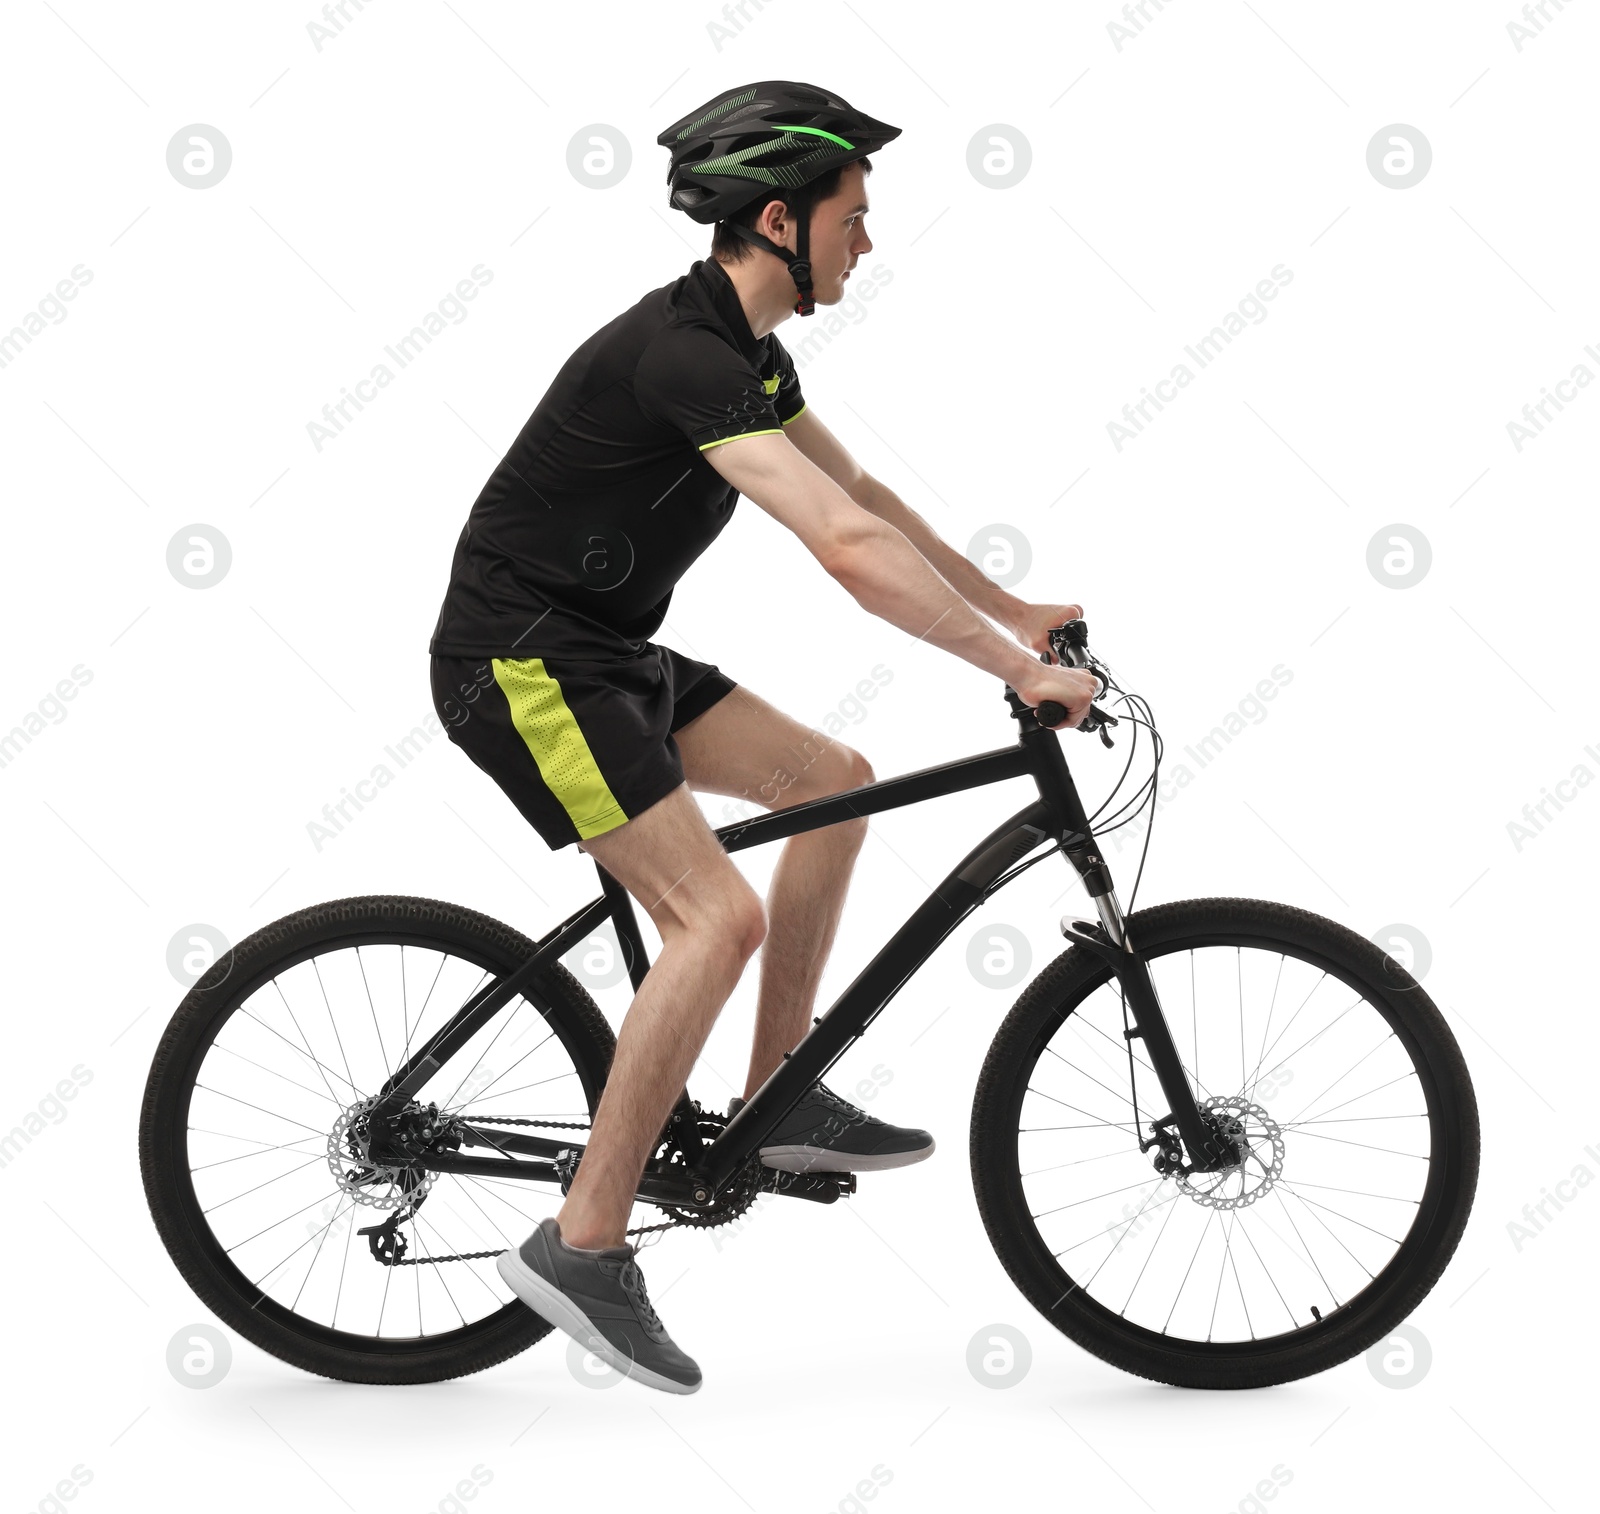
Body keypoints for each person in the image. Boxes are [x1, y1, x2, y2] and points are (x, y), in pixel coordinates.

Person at [427, 80, 1099, 1395]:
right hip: (518, 662)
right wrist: (1013, 669)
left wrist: (1013, 606)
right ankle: (582, 1241)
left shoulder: (748, 354)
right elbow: (845, 552)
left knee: (832, 782)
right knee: (713, 917)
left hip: (600, 651)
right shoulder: (682, 355)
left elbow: (863, 495)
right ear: (782, 220)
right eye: (856, 216)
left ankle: (773, 1101)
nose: (869, 240)